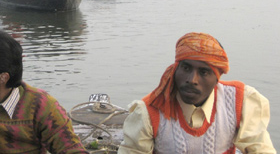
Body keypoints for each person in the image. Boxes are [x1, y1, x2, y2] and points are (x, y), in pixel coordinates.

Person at [118, 32, 275, 154]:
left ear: (217, 79)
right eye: (186, 68)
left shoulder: (240, 101)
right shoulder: (149, 111)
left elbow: (260, 148)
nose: (192, 79)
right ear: (175, 70)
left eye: (204, 72)